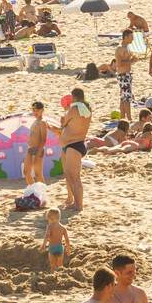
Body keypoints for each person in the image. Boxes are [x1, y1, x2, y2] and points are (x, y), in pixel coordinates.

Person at [59, 86, 93, 215]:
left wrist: (64, 117)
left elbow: (63, 122)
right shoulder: (87, 109)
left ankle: (79, 205)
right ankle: (76, 203)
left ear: (73, 97)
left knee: (74, 177)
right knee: (72, 176)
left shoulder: (74, 109)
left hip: (73, 145)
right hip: (78, 143)